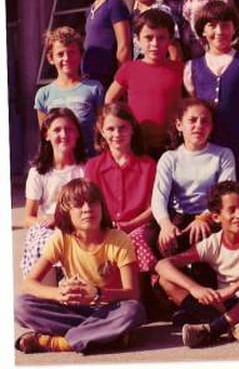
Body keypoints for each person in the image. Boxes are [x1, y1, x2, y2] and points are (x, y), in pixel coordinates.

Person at [15, 179, 145, 354]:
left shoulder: (119, 240)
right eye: (78, 205)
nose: (87, 209)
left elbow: (133, 293)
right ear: (66, 212)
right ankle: (105, 335)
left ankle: (58, 343)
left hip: (111, 309)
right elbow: (28, 284)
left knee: (133, 311)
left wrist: (98, 293)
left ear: (102, 207)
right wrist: (57, 293)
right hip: (75, 310)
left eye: (93, 203)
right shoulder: (61, 239)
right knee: (21, 306)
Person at [155, 181, 239, 348]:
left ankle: (215, 328)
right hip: (225, 306)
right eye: (232, 210)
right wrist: (194, 288)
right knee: (166, 280)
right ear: (216, 217)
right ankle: (234, 326)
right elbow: (162, 264)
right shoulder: (213, 243)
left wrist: (234, 288)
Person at [150, 98, 236, 259]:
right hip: (179, 218)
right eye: (192, 120)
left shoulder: (223, 155)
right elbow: (159, 197)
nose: (199, 126)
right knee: (168, 251)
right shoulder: (169, 158)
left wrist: (204, 218)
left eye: (205, 121)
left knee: (207, 254)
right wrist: (165, 225)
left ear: (211, 127)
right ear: (179, 125)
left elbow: (225, 194)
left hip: (213, 217)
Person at [185, 0, 239, 179]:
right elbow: (193, 104)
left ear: (234, 29)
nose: (219, 31)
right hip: (208, 145)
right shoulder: (192, 67)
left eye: (225, 25)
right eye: (212, 26)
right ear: (203, 31)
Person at [84, 103, 158, 273]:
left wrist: (129, 225)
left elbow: (154, 208)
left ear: (132, 129)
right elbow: (89, 204)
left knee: (137, 240)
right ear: (102, 131)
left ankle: (143, 285)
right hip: (104, 228)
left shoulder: (148, 165)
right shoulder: (93, 166)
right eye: (110, 129)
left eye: (122, 128)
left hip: (140, 227)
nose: (117, 134)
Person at [105, 9, 183, 157]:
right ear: (137, 39)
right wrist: (123, 127)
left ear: (170, 39)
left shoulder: (180, 69)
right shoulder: (129, 69)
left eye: (161, 38)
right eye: (148, 38)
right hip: (138, 143)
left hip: (172, 143)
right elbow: (110, 99)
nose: (155, 44)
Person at [21, 109, 87, 277]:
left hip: (79, 224)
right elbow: (28, 218)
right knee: (42, 237)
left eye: (69, 129)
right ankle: (41, 284)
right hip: (50, 228)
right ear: (46, 135)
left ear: (77, 134)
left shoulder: (85, 169)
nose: (63, 134)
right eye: (57, 130)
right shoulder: (38, 173)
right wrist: (47, 221)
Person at [34, 27, 104, 157]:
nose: (66, 58)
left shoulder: (94, 88)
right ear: (50, 58)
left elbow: (102, 131)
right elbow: (46, 137)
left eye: (71, 52)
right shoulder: (43, 95)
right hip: (59, 162)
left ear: (81, 55)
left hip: (89, 160)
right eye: (60, 54)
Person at [79, 0, 132, 88]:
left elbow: (124, 46)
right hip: (90, 79)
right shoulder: (90, 10)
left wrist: (120, 83)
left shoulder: (115, 4)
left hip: (109, 80)